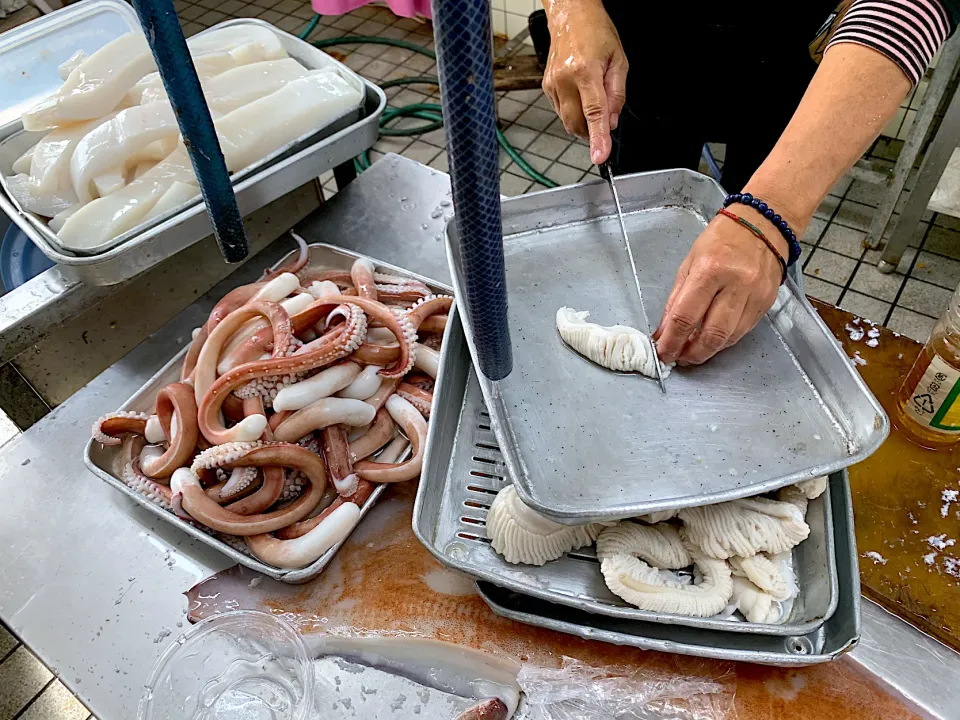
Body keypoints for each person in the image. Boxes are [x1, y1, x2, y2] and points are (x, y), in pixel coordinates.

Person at [539, 0, 959, 366]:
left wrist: (774, 213)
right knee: (634, 229)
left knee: (754, 263)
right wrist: (571, 7)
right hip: (636, 57)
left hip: (790, 60)